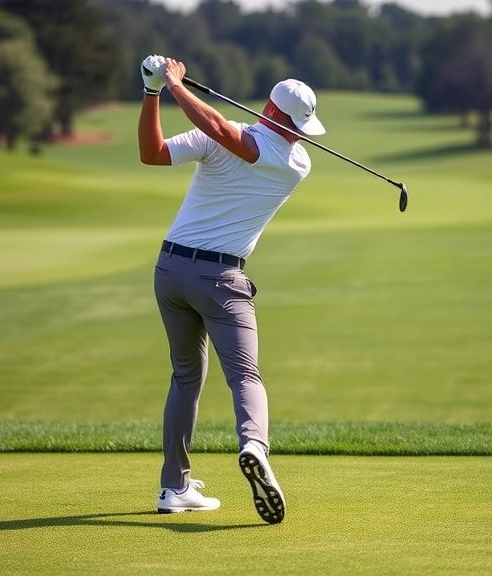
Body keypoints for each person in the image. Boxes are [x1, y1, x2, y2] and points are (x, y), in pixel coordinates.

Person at [137, 54, 325, 524]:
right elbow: (154, 152)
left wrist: (165, 86)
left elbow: (221, 133)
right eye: (297, 126)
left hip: (170, 270)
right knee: (245, 376)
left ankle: (174, 486)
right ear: (276, 113)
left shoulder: (285, 158)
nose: (301, 135)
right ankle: (255, 446)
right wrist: (156, 93)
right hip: (220, 281)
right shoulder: (292, 159)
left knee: (185, 378)